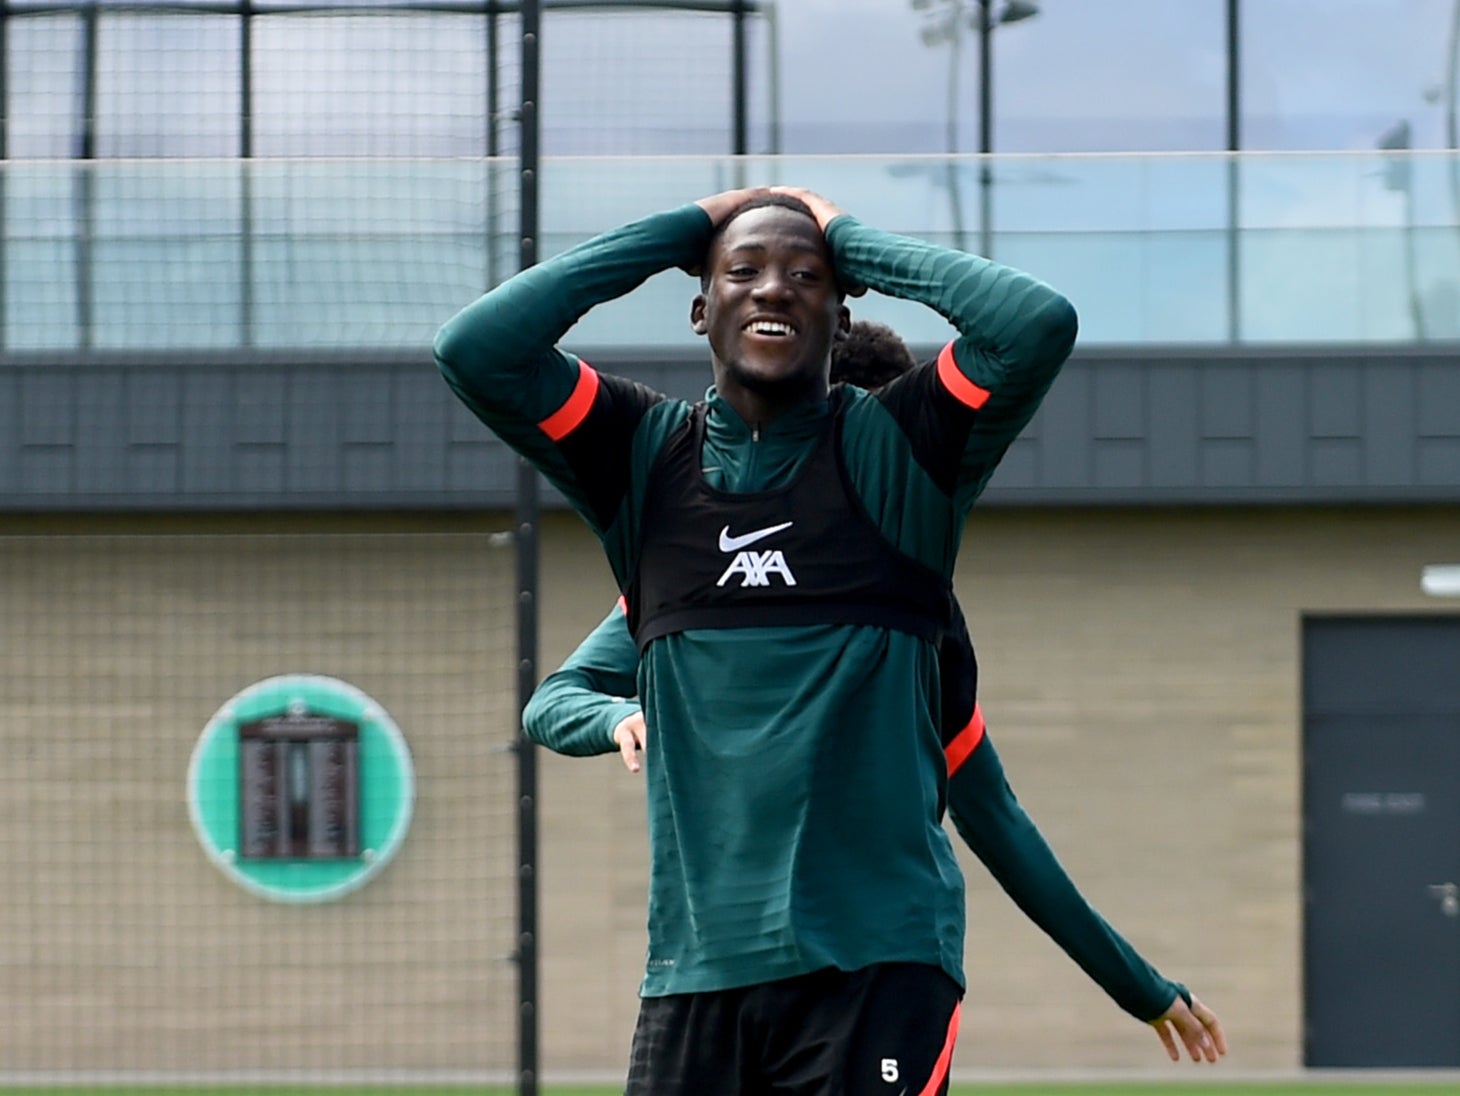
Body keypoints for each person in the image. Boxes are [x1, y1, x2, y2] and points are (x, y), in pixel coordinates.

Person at [434, 186, 1225, 1094]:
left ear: (839, 303)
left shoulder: (902, 473)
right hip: (697, 977)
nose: (773, 290)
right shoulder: (646, 469)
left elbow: (1034, 322)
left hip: (878, 971)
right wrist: (685, 228)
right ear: (701, 308)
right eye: (743, 272)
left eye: (805, 277)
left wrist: (845, 233)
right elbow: (475, 350)